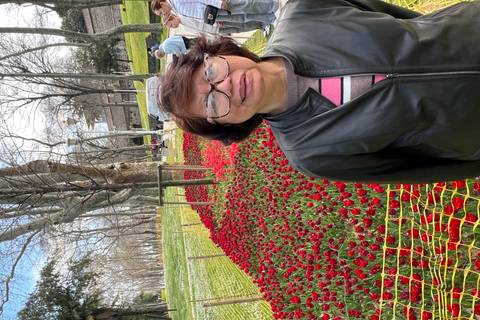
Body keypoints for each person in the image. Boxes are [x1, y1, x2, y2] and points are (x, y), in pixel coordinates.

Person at [159, 0, 480, 184]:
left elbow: (398, 17)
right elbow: (416, 169)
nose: (225, 85)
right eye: (213, 102)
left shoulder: (303, 11)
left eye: (211, 72)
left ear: (220, 52)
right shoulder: (309, 153)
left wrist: (434, 34)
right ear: (225, 125)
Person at [150, 0, 277, 35]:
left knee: (244, 6)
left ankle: (272, 5)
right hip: (213, 15)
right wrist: (214, 23)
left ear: (161, 4)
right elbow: (197, 16)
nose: (163, 15)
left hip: (216, 6)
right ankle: (269, 17)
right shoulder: (176, 10)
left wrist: (218, 3)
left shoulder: (176, 1)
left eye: (161, 12)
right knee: (242, 18)